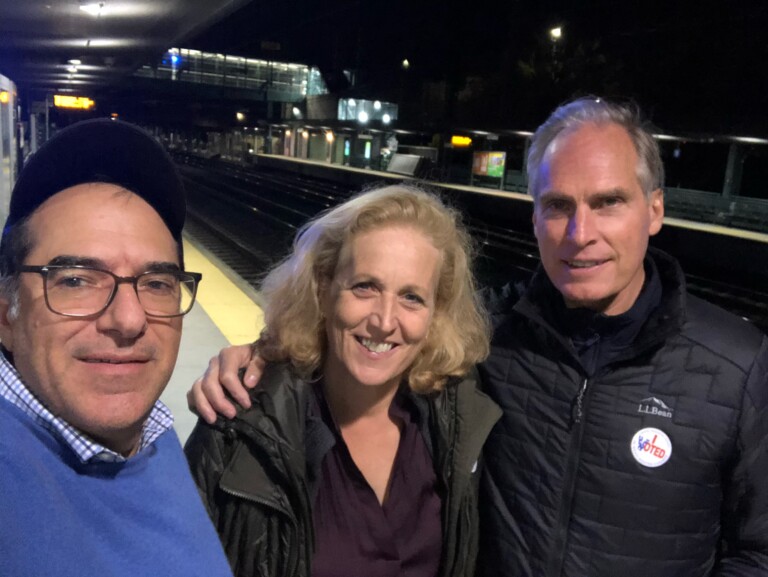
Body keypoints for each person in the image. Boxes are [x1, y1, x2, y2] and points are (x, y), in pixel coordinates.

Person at [191, 97, 768, 576]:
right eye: (558, 205)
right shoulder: (492, 336)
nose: (581, 233)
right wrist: (262, 354)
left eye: (608, 202)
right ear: (535, 216)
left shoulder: (738, 366)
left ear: (655, 210)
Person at [184, 184, 501, 577]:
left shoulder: (454, 425)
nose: (385, 322)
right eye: (365, 287)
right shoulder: (239, 426)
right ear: (323, 288)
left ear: (436, 315)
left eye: (412, 297)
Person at [0, 119, 234, 577]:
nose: (129, 320)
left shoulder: (148, 432)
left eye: (157, 283)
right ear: (5, 313)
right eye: (75, 280)